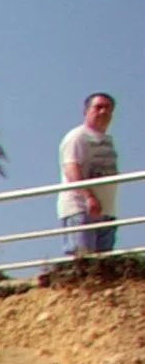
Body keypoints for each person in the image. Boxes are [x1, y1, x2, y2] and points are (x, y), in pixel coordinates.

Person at [63, 92, 119, 258]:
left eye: (107, 108)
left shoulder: (107, 140)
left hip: (107, 211)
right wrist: (89, 197)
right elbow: (71, 169)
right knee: (83, 261)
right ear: (86, 111)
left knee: (104, 266)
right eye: (98, 107)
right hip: (81, 209)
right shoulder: (77, 137)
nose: (103, 112)